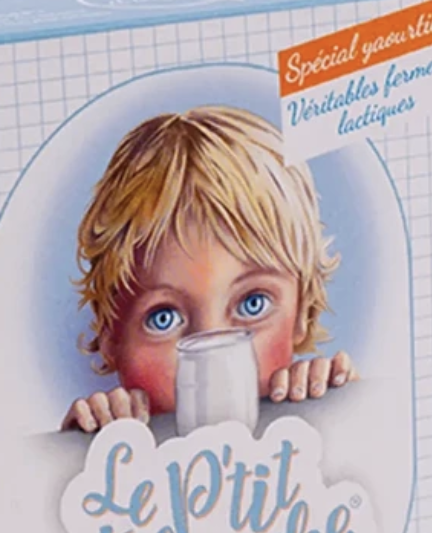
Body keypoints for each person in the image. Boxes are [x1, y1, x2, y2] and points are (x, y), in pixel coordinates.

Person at [62, 105, 356, 432]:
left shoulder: (316, 413)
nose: (213, 362)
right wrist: (78, 448)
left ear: (304, 313)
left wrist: (349, 410)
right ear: (110, 338)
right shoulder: (112, 441)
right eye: (163, 318)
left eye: (253, 304)